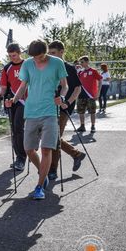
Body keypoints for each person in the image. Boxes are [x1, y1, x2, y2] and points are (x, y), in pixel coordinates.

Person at [12, 39, 68, 200]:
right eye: (34, 57)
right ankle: (42, 170)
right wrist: (14, 100)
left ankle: (39, 185)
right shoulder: (28, 64)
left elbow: (65, 85)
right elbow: (23, 86)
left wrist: (62, 98)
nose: (37, 59)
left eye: (40, 56)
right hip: (31, 111)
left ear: (46, 52)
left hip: (50, 111)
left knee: (46, 149)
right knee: (28, 149)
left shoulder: (57, 63)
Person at [47, 41, 86, 180]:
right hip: (48, 107)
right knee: (52, 137)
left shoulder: (69, 68)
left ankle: (53, 169)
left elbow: (77, 88)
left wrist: (68, 102)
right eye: (49, 53)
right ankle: (76, 154)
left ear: (62, 52)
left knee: (54, 138)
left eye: (53, 53)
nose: (51, 56)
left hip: (64, 108)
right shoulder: (48, 67)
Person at [0, 43, 27, 171]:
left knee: (18, 128)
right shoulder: (7, 67)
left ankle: (22, 156)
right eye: (10, 56)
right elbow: (4, 87)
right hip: (13, 101)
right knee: (15, 129)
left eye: (14, 55)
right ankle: (20, 157)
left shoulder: (28, 64)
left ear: (20, 52)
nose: (12, 58)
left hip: (28, 101)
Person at [76, 56, 102, 133]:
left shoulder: (93, 71)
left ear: (87, 62)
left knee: (92, 111)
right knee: (81, 111)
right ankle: (82, 126)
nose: (81, 64)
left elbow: (100, 79)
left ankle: (93, 126)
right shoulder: (80, 72)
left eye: (82, 62)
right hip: (81, 95)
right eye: (80, 62)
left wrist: (98, 92)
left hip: (91, 95)